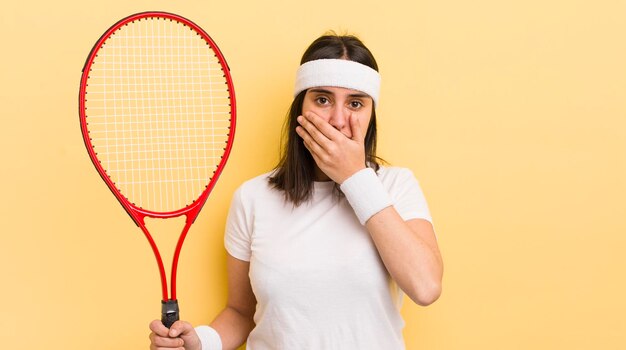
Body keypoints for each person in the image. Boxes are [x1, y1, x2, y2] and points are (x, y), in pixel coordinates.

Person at [149, 33, 443, 350]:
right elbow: (241, 312)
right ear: (299, 109)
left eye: (355, 103)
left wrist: (354, 176)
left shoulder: (396, 186)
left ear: (371, 115)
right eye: (322, 99)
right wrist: (200, 342)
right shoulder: (252, 198)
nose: (338, 120)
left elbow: (425, 287)